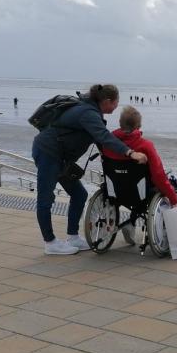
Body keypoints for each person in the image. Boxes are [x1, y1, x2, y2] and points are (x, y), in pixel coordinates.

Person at [32, 84, 147, 255]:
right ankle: (50, 243)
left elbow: (100, 141)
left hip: (61, 158)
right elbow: (103, 136)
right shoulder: (88, 113)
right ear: (107, 101)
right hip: (48, 153)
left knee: (79, 194)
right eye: (116, 102)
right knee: (45, 199)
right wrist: (130, 152)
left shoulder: (92, 111)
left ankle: (73, 237)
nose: (116, 106)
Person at [102, 105, 177, 245]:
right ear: (138, 126)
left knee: (131, 181)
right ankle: (132, 222)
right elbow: (158, 176)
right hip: (140, 194)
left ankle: (131, 223)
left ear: (120, 123)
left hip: (114, 190)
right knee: (168, 182)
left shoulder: (108, 144)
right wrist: (173, 199)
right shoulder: (145, 145)